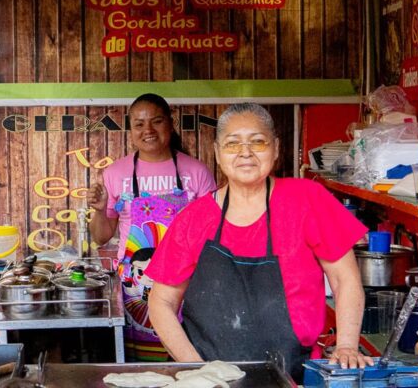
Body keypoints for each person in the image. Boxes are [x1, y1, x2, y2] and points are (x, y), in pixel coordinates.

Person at [146, 103, 372, 382]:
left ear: (275, 148)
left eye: (258, 141)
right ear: (217, 153)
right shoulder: (193, 219)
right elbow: (161, 302)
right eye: (232, 143)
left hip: (293, 374)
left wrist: (347, 345)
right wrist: (197, 371)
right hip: (211, 377)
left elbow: (344, 278)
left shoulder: (308, 199)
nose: (245, 152)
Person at [87, 93, 216, 361]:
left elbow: (213, 234)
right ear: (130, 129)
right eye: (139, 124)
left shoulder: (197, 171)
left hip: (186, 285)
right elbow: (101, 237)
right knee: (142, 368)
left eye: (156, 121)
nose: (148, 130)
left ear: (170, 123)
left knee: (188, 361)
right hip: (136, 287)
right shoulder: (115, 174)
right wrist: (99, 210)